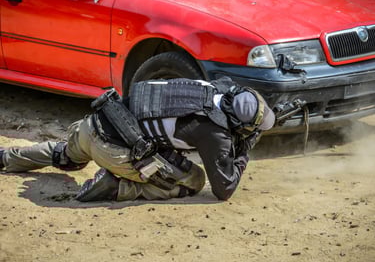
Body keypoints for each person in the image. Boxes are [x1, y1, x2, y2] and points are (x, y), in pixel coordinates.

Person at [0, 77, 275, 202]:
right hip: (114, 150)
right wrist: (245, 149)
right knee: (193, 180)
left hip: (94, 123)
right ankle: (118, 188)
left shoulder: (206, 89)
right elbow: (223, 190)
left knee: (64, 154)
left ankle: (6, 157)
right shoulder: (213, 132)